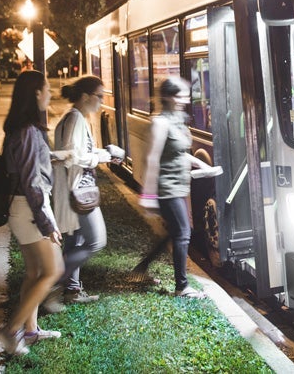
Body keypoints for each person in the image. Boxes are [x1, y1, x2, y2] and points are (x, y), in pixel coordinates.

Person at [0, 70, 64, 356]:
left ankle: (31, 331)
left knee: (35, 271)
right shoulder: (28, 131)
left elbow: (29, 168)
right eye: (47, 89)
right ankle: (11, 331)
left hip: (21, 207)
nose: (50, 94)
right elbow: (33, 182)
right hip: (30, 209)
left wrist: (56, 157)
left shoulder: (19, 128)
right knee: (53, 270)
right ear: (36, 93)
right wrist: (48, 224)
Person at [45, 76, 123, 313]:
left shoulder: (74, 117)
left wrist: (106, 152)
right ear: (86, 97)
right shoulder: (76, 119)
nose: (101, 101)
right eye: (100, 96)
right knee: (96, 241)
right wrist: (102, 157)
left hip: (75, 189)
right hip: (77, 192)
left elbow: (78, 151)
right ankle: (52, 285)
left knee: (74, 241)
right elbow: (72, 155)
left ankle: (72, 290)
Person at [137, 77, 219, 298]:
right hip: (167, 188)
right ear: (167, 97)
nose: (185, 99)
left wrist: (206, 166)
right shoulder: (160, 122)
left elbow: (182, 153)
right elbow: (152, 159)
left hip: (180, 185)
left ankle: (142, 267)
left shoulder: (178, 119)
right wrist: (149, 195)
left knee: (175, 232)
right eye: (180, 95)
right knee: (183, 232)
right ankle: (181, 286)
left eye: (186, 94)